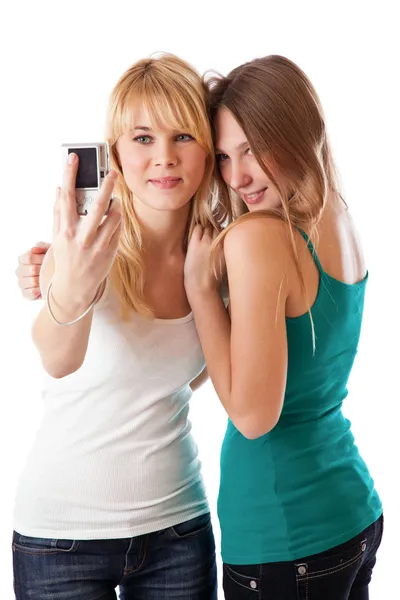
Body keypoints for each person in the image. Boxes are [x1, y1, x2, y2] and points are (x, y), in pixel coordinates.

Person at [12, 53, 229, 600]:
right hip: (60, 540)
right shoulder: (81, 241)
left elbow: (193, 377)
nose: (164, 159)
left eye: (183, 135)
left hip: (178, 529)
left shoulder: (219, 255)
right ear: (115, 151)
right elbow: (58, 360)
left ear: (208, 146)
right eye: (142, 139)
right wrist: (75, 284)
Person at [183, 55, 383, 599]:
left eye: (252, 149)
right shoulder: (337, 215)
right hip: (353, 515)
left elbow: (252, 416)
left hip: (285, 539)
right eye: (224, 156)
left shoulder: (259, 238)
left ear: (299, 132)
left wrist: (201, 291)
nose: (237, 176)